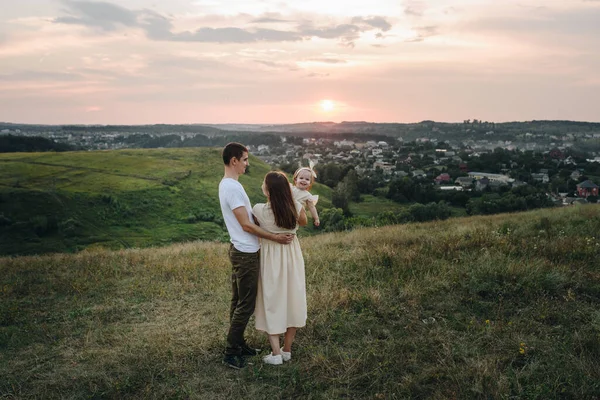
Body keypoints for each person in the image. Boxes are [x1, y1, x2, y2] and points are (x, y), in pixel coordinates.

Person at [219, 143, 294, 370]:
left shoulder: (230, 185)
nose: (247, 164)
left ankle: (239, 343)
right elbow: (246, 225)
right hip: (245, 253)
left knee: (238, 301)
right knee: (246, 305)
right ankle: (231, 352)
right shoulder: (232, 188)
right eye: (244, 160)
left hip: (241, 250)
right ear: (234, 161)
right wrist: (274, 237)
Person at [253, 171, 308, 365]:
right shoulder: (296, 207)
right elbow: (304, 222)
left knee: (272, 300)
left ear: (268, 191)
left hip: (271, 259)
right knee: (293, 299)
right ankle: (287, 349)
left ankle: (276, 353)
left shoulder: (259, 210)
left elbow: (255, 228)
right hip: (292, 257)